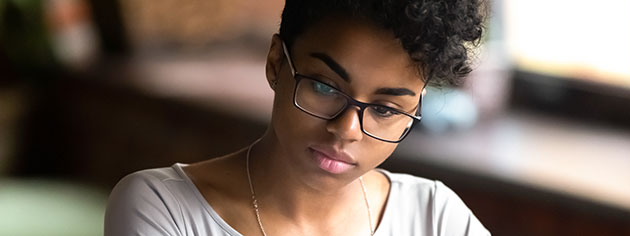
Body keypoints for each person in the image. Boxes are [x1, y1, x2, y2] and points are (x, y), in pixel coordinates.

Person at [104, 0, 490, 235]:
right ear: (276, 63)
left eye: (385, 109)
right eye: (325, 87)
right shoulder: (165, 210)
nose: (346, 129)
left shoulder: (434, 218)